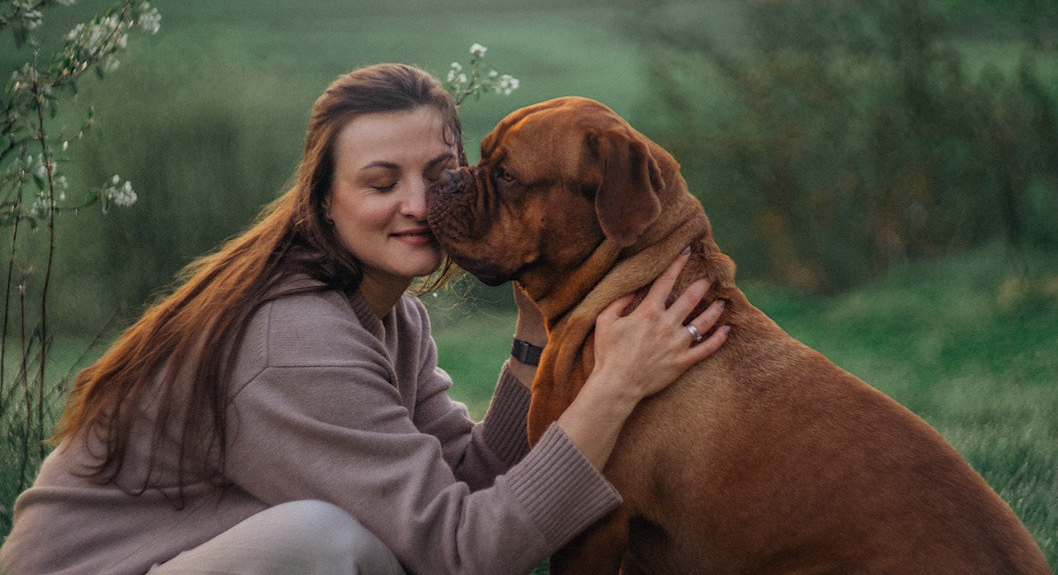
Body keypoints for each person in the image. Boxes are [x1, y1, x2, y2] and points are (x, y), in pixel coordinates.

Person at [0, 63, 727, 575]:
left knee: (369, 546)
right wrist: (615, 388)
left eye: (441, 177)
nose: (419, 205)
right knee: (330, 546)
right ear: (321, 200)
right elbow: (461, 554)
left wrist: (536, 336)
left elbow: (467, 482)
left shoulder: (389, 315)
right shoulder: (295, 342)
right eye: (382, 182)